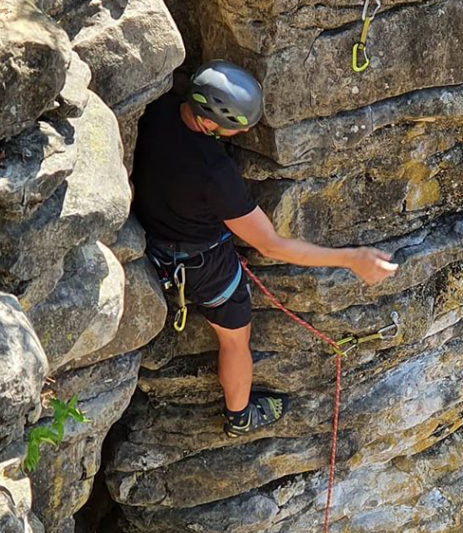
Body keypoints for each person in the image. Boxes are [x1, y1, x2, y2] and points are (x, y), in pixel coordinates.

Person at [131, 60, 398, 436]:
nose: (241, 134)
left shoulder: (156, 110)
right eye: (235, 129)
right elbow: (270, 245)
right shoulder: (215, 174)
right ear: (210, 124)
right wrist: (351, 258)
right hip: (204, 265)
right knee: (236, 339)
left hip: (154, 239)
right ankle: (239, 416)